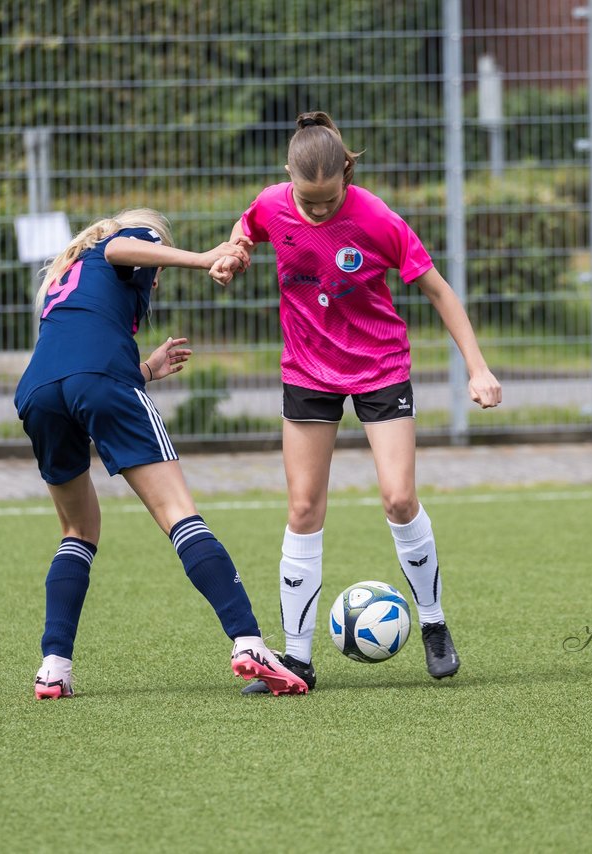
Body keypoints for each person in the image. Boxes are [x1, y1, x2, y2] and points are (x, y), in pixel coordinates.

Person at [211, 112, 503, 694]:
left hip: (379, 367)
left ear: (348, 172)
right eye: (307, 201)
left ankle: (435, 625)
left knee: (398, 499)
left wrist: (478, 366)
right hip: (307, 370)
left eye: (327, 201)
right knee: (303, 508)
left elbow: (440, 292)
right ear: (287, 178)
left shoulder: (377, 219)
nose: (317, 212)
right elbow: (243, 234)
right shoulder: (272, 204)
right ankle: (296, 662)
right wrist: (231, 257)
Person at [14, 208, 309, 698]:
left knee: (78, 531)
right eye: (159, 269)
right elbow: (121, 249)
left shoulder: (71, 268)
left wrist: (144, 372)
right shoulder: (123, 240)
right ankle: (248, 641)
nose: (156, 280)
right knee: (179, 514)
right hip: (100, 377)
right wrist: (203, 256)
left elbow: (78, 351)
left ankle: (54, 666)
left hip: (40, 390)